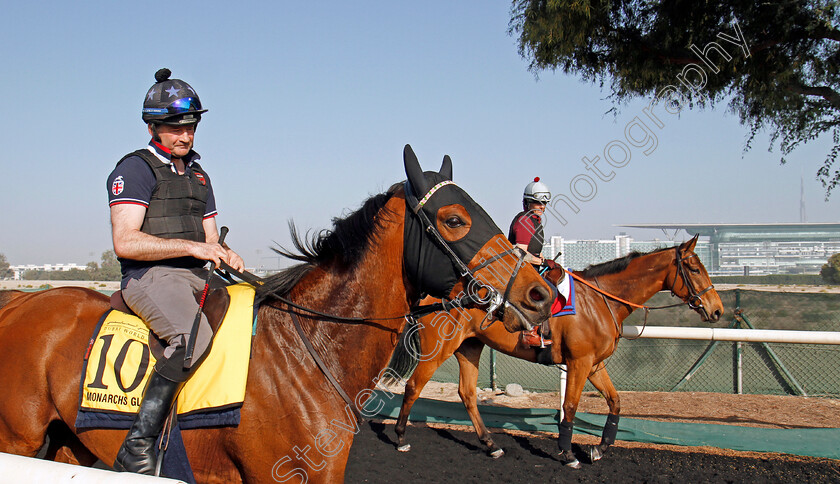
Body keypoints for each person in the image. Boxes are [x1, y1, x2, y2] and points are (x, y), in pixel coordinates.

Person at [106, 68, 244, 474]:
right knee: (192, 340)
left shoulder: (200, 175)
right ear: (153, 126)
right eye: (174, 128)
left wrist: (226, 253)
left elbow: (211, 238)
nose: (185, 136)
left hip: (198, 277)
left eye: (191, 127)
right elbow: (125, 241)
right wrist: (192, 247)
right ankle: (138, 443)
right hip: (150, 278)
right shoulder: (134, 169)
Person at [509, 177, 560, 350]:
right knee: (548, 291)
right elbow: (518, 252)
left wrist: (543, 259)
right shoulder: (525, 222)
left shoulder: (535, 222)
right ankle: (530, 333)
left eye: (544, 203)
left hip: (530, 269)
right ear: (527, 203)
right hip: (519, 272)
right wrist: (542, 261)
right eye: (537, 203)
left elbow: (534, 250)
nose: (542, 207)